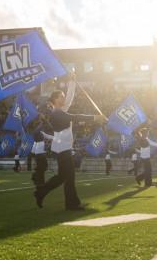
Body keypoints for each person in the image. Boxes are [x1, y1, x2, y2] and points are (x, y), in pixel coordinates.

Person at [34, 74, 106, 210]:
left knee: (62, 177)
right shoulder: (57, 113)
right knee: (69, 177)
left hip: (62, 148)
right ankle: (71, 204)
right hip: (63, 149)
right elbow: (76, 117)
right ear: (55, 99)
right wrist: (95, 117)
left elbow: (70, 98)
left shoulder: (60, 110)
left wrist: (72, 82)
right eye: (61, 96)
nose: (63, 98)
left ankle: (41, 192)